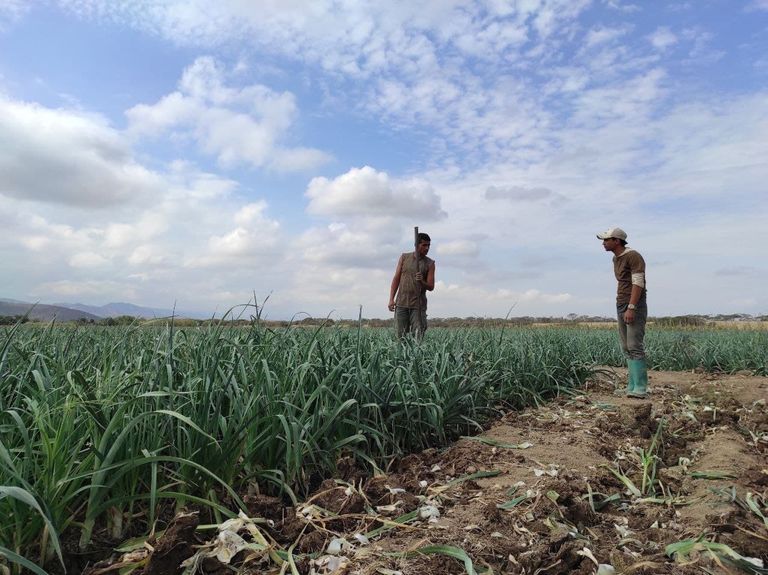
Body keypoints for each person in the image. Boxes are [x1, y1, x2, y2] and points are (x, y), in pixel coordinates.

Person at [597, 227, 649, 398]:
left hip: (633, 305)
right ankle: (631, 386)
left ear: (617, 241)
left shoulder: (633, 256)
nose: (603, 243)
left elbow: (638, 282)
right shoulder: (615, 258)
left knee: (635, 345)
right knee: (626, 347)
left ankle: (640, 388)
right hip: (621, 303)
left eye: (606, 240)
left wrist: (631, 307)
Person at [388, 233, 435, 339]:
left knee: (418, 336)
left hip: (418, 306)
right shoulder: (404, 257)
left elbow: (431, 286)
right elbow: (396, 279)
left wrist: (422, 281)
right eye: (424, 245)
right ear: (416, 245)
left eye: (428, 245)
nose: (427, 248)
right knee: (400, 337)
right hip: (401, 303)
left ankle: (417, 355)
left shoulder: (430, 263)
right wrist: (391, 299)